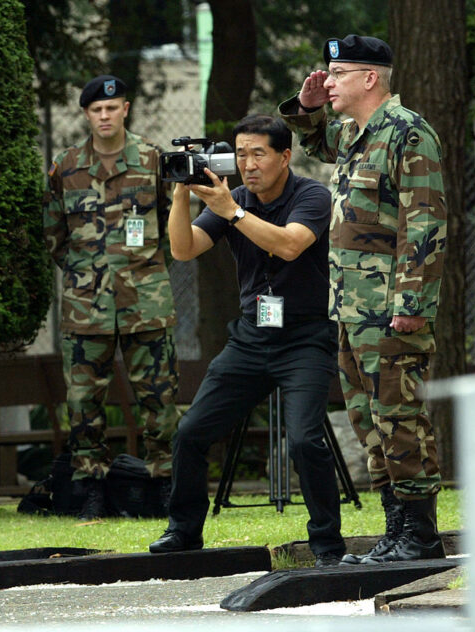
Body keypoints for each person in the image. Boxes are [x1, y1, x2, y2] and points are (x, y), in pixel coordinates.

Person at [148, 114, 346, 567]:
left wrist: (232, 213)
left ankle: (327, 547)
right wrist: (182, 193)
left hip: (305, 339)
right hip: (251, 337)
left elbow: (291, 245)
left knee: (303, 441)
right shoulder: (231, 197)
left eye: (258, 153)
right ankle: (184, 531)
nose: (248, 164)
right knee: (191, 433)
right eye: (240, 154)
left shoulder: (311, 194)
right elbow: (184, 248)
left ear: (284, 156)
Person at [279, 34, 447, 564]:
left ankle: (420, 535)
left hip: (392, 310)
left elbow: (425, 223)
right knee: (369, 422)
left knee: (400, 418)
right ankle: (395, 531)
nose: (327, 82)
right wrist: (306, 107)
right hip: (352, 308)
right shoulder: (355, 133)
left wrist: (411, 305)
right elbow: (315, 141)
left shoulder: (407, 132)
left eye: (338, 74)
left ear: (370, 78)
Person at [43, 75, 180, 518]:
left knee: (158, 398)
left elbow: (172, 226)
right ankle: (91, 486)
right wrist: (89, 274)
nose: (104, 116)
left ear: (126, 109)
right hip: (87, 306)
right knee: (83, 401)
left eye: (112, 107)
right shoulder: (65, 167)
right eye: (96, 110)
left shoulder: (153, 161)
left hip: (146, 300)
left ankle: (163, 483)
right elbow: (54, 236)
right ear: (86, 115)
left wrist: (146, 271)